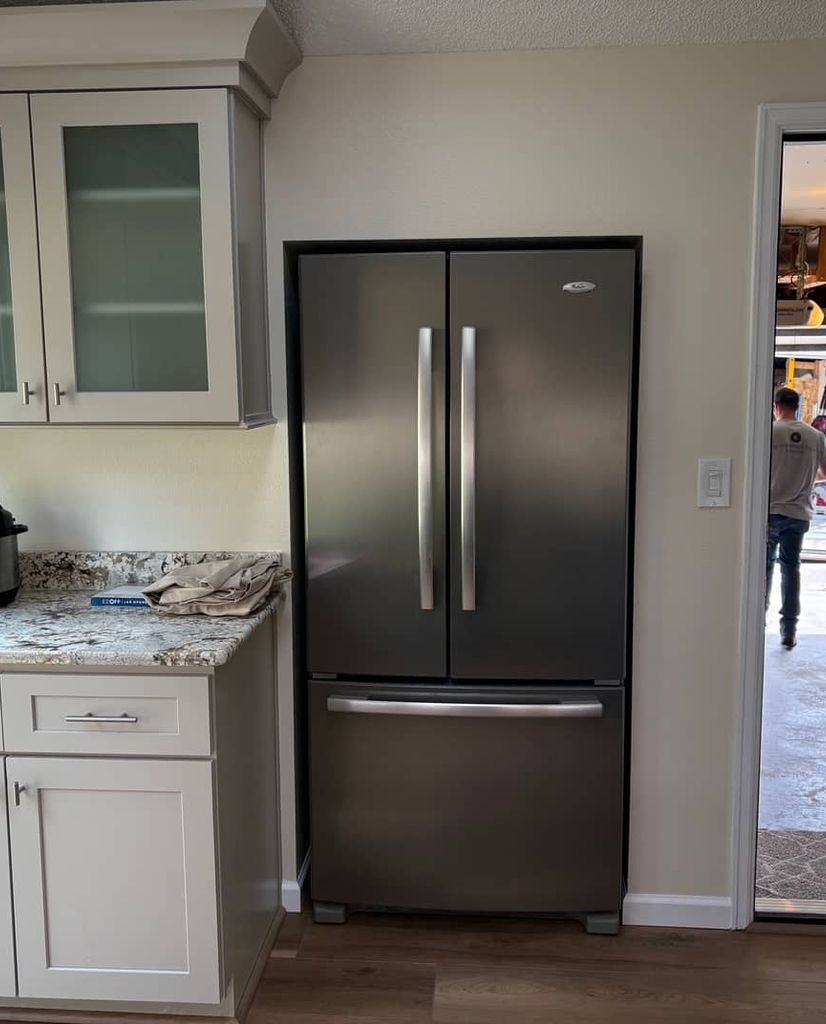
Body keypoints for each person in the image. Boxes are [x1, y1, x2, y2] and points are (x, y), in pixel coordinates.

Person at [766, 386, 826, 648]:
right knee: (791, 570)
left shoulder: (769, 431)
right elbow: (825, 472)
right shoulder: (815, 436)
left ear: (776, 406)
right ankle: (788, 630)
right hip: (798, 513)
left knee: (764, 569)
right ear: (797, 406)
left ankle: (758, 623)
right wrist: (805, 478)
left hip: (769, 511)